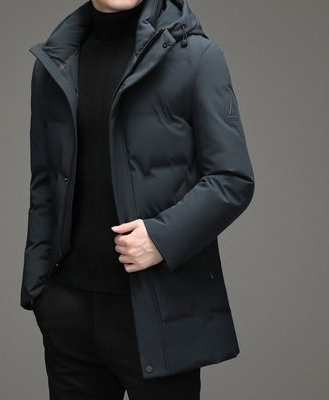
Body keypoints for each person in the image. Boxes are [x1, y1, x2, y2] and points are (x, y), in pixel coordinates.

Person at [20, 0, 254, 398]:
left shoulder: (198, 57)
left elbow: (233, 179)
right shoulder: (54, 63)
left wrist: (161, 238)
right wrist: (39, 290)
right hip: (68, 315)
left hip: (159, 312)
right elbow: (45, 182)